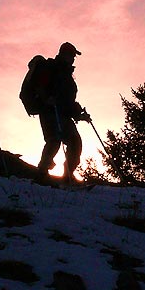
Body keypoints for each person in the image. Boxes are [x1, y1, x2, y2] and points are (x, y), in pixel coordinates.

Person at [33, 42, 90, 184]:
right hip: (49, 112)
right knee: (54, 140)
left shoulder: (68, 76)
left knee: (75, 142)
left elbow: (68, 101)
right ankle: (42, 173)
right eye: (71, 55)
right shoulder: (51, 67)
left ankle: (68, 175)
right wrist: (46, 99)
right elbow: (40, 86)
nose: (73, 58)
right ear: (63, 54)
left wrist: (79, 114)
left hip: (63, 114)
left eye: (73, 56)